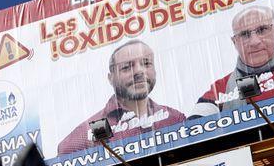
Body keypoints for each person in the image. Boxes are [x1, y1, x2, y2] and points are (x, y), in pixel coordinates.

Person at [56, 40, 187, 156]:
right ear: (110, 78)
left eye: (146, 63)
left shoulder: (174, 118)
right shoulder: (90, 132)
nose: (139, 71)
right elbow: (66, 152)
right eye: (126, 67)